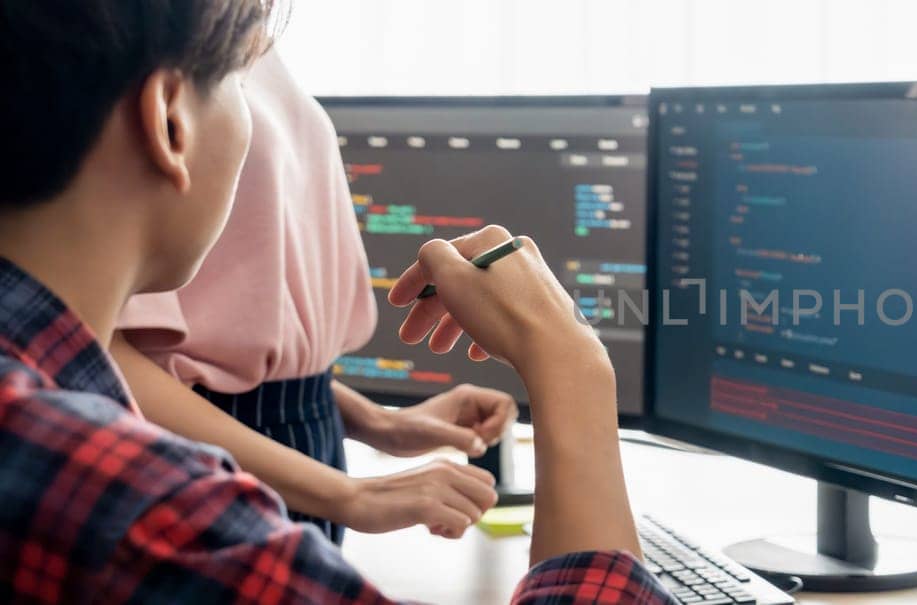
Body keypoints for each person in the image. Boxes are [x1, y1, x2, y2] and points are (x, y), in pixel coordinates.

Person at [0, 2, 669, 602]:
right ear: (170, 122)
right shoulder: (147, 513)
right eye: (237, 83)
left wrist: (370, 419)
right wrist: (572, 364)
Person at [109, 46, 518, 544]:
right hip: (212, 463)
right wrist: (351, 495)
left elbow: (244, 344)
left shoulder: (255, 42)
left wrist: (377, 423)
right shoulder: (152, 32)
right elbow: (99, 349)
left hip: (301, 448)